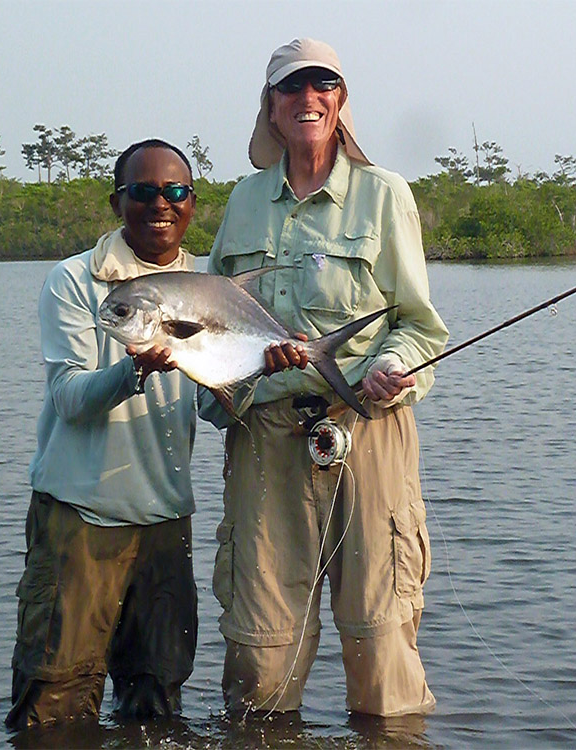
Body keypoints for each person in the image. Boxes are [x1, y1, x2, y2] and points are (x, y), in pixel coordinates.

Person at [199, 38, 449, 718]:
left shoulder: (384, 194)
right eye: (290, 88)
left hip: (366, 430)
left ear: (340, 102)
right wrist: (233, 380)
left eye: (322, 85)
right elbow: (213, 326)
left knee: (380, 636)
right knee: (260, 650)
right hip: (266, 438)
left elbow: (419, 325)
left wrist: (391, 371)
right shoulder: (245, 201)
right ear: (271, 109)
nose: (307, 98)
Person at [6, 139, 201, 730]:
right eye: (143, 192)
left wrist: (264, 371)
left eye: (175, 192)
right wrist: (133, 370)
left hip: (166, 523)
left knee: (157, 704)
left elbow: (220, 409)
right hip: (79, 521)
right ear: (119, 202)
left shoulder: (209, 286)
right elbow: (67, 397)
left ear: (192, 204)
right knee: (53, 707)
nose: (160, 204)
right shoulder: (74, 281)